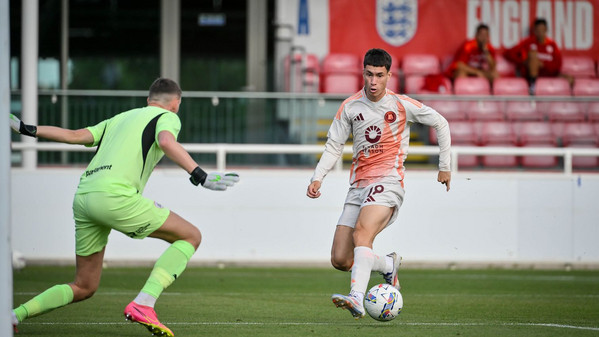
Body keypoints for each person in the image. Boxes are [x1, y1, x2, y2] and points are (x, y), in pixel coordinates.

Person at [9, 78, 240, 336]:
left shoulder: (120, 118)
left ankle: (12, 315)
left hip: (84, 197)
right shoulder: (168, 117)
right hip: (115, 197)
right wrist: (200, 175)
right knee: (191, 235)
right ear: (176, 103)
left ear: (148, 99)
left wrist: (25, 128)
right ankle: (144, 303)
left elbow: (75, 136)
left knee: (84, 285)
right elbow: (165, 141)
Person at [306, 49, 451, 319]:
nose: (374, 81)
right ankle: (387, 264)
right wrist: (318, 176)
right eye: (369, 74)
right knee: (340, 259)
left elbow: (441, 123)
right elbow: (334, 145)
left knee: (363, 233)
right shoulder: (350, 106)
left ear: (389, 76)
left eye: (380, 76)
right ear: (363, 73)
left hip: (388, 180)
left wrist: (444, 167)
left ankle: (357, 298)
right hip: (358, 185)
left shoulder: (401, 104)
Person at [503, 18, 573, 94]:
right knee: (533, 56)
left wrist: (543, 64)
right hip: (532, 75)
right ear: (534, 31)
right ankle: (533, 87)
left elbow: (558, 64)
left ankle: (567, 104)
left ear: (546, 30)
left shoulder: (552, 45)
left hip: (550, 74)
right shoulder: (528, 42)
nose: (540, 32)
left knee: (570, 79)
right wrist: (524, 62)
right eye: (538, 30)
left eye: (542, 30)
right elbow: (508, 53)